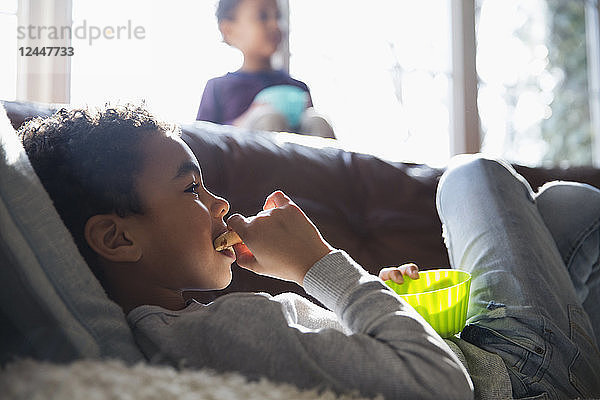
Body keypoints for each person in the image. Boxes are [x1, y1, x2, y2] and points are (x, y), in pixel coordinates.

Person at [18, 104, 600, 399]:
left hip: (492, 362)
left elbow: (393, 365)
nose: (219, 204)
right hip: (519, 378)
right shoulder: (216, 333)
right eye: (192, 189)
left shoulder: (185, 332)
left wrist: (398, 314)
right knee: (475, 175)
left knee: (568, 210)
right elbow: (445, 387)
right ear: (117, 238)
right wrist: (318, 265)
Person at [196, 0, 335, 139]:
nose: (275, 25)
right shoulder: (218, 87)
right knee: (269, 118)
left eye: (278, 16)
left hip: (297, 156)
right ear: (229, 30)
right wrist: (245, 119)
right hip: (246, 156)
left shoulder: (298, 87)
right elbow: (201, 140)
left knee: (318, 121)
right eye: (263, 16)